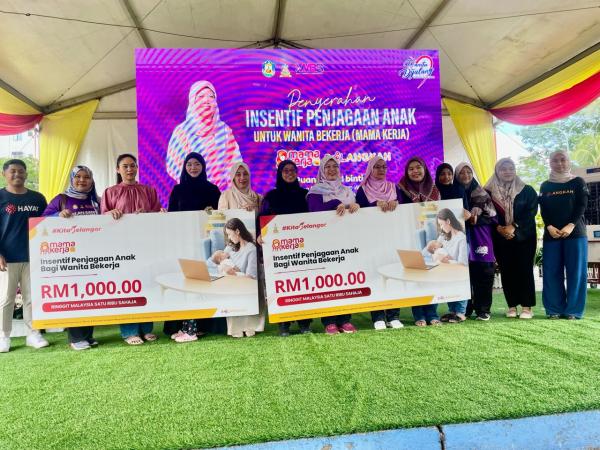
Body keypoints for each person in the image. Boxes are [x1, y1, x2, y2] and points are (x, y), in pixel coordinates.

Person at [101, 153, 162, 345]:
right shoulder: (110, 192)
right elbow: (102, 219)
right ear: (118, 169)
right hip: (121, 248)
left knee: (146, 285)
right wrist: (110, 214)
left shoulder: (149, 190)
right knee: (127, 287)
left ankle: (146, 329)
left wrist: (148, 214)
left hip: (145, 245)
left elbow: (157, 214)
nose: (129, 169)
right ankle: (129, 331)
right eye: (125, 166)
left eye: (132, 165)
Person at [43, 166, 101, 350]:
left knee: (91, 296)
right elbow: (41, 221)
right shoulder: (61, 199)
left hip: (93, 256)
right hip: (70, 257)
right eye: (78, 177)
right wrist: (57, 215)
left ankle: (87, 335)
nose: (82, 180)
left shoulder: (96, 201)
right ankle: (76, 338)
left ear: (91, 180)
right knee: (76, 296)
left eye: (86, 177)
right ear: (72, 179)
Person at [166, 152, 222, 339]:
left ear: (203, 166)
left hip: (205, 245)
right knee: (185, 281)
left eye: (197, 164)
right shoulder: (177, 190)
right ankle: (182, 325)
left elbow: (220, 217)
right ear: (184, 167)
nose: (193, 168)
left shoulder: (213, 190)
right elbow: (172, 217)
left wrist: (211, 214)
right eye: (189, 164)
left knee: (204, 281)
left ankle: (202, 325)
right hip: (183, 243)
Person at [0, 159, 49, 353]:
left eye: (21, 171)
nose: (17, 174)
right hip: (7, 258)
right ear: (4, 174)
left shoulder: (37, 198)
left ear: (26, 174)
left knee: (32, 298)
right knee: (6, 299)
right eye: (12, 171)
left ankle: (33, 334)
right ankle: (3, 336)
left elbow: (48, 223)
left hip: (33, 256)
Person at [307, 155, 359, 334]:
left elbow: (353, 213)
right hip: (325, 243)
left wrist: (355, 207)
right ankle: (329, 321)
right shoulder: (315, 191)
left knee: (345, 280)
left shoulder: (347, 191)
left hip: (346, 241)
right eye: (327, 167)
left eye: (335, 166)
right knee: (328, 282)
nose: (331, 170)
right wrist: (336, 203)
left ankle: (345, 319)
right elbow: (315, 211)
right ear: (322, 170)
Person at [260, 159, 312, 336]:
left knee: (303, 284)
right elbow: (263, 218)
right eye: (286, 171)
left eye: (292, 170)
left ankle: (304, 322)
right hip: (279, 249)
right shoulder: (271, 196)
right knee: (282, 284)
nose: (290, 173)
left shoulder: (305, 194)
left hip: (302, 248)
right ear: (280, 174)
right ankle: (284, 323)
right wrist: (260, 234)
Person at [485, 158, 538, 319]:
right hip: (500, 237)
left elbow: (531, 212)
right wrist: (499, 228)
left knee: (525, 270)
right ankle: (512, 306)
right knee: (507, 271)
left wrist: (513, 226)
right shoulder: (487, 192)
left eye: (511, 168)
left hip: (525, 237)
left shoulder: (527, 190)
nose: (508, 172)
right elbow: (486, 214)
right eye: (503, 169)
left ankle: (527, 307)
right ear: (497, 172)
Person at [539, 150, 588, 320]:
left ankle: (573, 310)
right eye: (555, 160)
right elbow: (543, 209)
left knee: (576, 272)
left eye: (563, 159)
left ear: (569, 161)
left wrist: (570, 225)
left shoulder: (578, 182)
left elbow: (582, 205)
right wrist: (549, 226)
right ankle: (554, 309)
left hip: (575, 234)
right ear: (550, 163)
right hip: (552, 235)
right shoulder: (545, 185)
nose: (559, 163)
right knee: (551, 272)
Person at [356, 156, 404, 330]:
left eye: (384, 167)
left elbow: (404, 208)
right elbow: (358, 213)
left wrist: (396, 203)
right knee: (375, 275)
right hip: (372, 239)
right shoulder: (362, 190)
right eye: (377, 167)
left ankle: (393, 316)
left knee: (393, 275)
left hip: (393, 238)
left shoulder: (394, 187)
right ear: (370, 169)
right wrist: (375, 205)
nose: (381, 170)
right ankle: (377, 316)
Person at [166, 81, 241, 188]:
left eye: (211, 97)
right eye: (201, 97)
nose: (206, 101)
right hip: (191, 191)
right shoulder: (182, 131)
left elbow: (235, 161)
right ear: (193, 101)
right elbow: (173, 166)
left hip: (221, 192)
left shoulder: (224, 131)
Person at [218, 165, 264, 338]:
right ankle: (235, 327)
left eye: (245, 174)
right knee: (234, 286)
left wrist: (253, 211)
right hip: (234, 247)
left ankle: (253, 325)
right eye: (238, 174)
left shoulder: (257, 197)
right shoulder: (226, 196)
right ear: (232, 177)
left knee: (253, 284)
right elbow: (222, 219)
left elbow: (262, 221)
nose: (242, 178)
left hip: (253, 247)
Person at [397, 157, 442, 326]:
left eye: (418, 167)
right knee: (415, 274)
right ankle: (419, 315)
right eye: (411, 169)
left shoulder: (434, 189)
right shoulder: (401, 189)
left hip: (431, 235)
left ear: (425, 169)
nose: (415, 171)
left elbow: (438, 212)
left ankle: (432, 313)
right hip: (411, 236)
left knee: (432, 273)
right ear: (406, 172)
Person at [455, 162, 497, 321]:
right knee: (463, 274)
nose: (465, 175)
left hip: (480, 237)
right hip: (460, 237)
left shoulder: (482, 193)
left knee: (483, 273)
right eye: (461, 173)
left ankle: (483, 309)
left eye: (468, 172)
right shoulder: (453, 192)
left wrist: (474, 219)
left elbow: (493, 218)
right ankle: (465, 309)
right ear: (456, 176)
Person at [434, 163, 468, 322]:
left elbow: (465, 211)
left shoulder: (459, 190)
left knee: (460, 274)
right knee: (448, 277)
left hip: (460, 237)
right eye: (442, 174)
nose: (446, 177)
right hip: (447, 245)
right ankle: (452, 310)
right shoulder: (434, 191)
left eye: (449, 173)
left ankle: (460, 311)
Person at [422, 208, 469, 322]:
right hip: (444, 269)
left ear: (448, 221)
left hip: (457, 270)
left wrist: (448, 261)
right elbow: (431, 250)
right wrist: (435, 256)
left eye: (442, 224)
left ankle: (460, 313)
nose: (441, 228)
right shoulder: (443, 236)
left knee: (456, 280)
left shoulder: (461, 238)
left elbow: (463, 263)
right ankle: (450, 312)